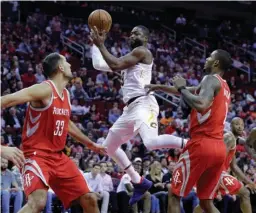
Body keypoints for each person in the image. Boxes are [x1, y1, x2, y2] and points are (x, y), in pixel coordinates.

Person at [90, 25, 187, 205]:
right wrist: (95, 44)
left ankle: (190, 144)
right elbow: (98, 64)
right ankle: (138, 181)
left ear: (146, 38)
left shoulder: (142, 51)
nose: (132, 34)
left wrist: (101, 45)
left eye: (137, 32)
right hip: (131, 109)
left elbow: (114, 64)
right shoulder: (129, 62)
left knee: (150, 142)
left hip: (144, 104)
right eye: (131, 32)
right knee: (108, 148)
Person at [1, 53, 106, 213]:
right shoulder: (44, 89)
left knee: (90, 199)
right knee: (38, 202)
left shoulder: (66, 94)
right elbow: (6, 100)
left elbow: (66, 123)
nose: (71, 65)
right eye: (67, 62)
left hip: (58, 157)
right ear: (60, 68)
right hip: (36, 155)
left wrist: (90, 144)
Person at [147, 49, 233, 213]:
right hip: (218, 148)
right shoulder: (224, 85)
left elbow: (200, 104)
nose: (206, 59)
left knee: (173, 193)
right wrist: (159, 87)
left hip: (201, 145)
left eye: (209, 57)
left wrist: (181, 89)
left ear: (215, 63)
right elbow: (190, 90)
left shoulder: (209, 79)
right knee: (206, 202)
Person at [194, 118, 256, 213]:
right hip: (215, 173)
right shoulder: (229, 137)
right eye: (236, 124)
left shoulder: (232, 141)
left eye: (242, 125)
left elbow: (234, 167)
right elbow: (217, 158)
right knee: (245, 193)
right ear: (230, 126)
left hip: (213, 173)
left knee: (204, 204)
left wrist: (248, 181)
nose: (240, 127)